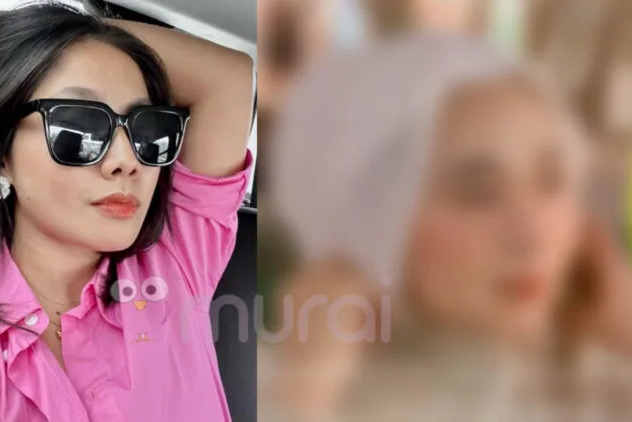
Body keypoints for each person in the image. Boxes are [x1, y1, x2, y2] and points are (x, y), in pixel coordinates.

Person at [0, 4, 253, 421]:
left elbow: (230, 79)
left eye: (149, 131)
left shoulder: (173, 263)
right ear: (0, 154)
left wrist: (48, 31)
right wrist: (31, 40)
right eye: (78, 128)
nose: (127, 161)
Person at [261, 34, 632, 422]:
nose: (531, 236)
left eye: (552, 179)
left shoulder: (593, 380)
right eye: (479, 193)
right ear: (370, 223)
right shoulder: (287, 393)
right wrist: (305, 395)